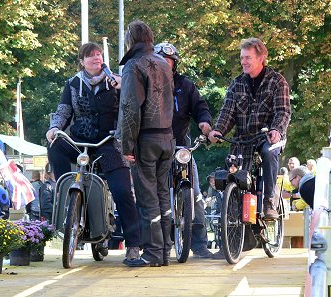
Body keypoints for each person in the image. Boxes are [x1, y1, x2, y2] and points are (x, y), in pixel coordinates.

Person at [45, 42, 141, 262]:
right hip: (80, 142)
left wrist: (123, 88)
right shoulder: (72, 83)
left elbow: (132, 108)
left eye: (98, 55)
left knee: (123, 191)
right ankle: (65, 186)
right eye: (90, 56)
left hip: (109, 142)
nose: (96, 58)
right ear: (82, 61)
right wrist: (54, 128)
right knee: (56, 146)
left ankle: (134, 245)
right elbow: (64, 111)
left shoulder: (117, 80)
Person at [208, 38, 291, 258]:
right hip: (243, 138)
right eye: (242, 57)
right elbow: (227, 112)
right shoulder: (237, 84)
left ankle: (270, 203)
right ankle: (232, 237)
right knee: (233, 175)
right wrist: (218, 130)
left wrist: (277, 130)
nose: (243, 61)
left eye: (247, 57)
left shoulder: (277, 81)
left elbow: (283, 111)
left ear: (261, 58)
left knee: (268, 152)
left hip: (268, 136)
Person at [116, 20, 175, 267]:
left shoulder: (133, 66)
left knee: (147, 198)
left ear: (131, 40)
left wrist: (125, 145)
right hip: (167, 137)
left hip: (146, 138)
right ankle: (164, 252)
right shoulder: (163, 63)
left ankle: (152, 253)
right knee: (163, 196)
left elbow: (130, 108)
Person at [154, 42, 213, 259]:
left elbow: (200, 107)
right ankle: (156, 244)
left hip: (181, 147)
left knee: (195, 195)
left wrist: (205, 123)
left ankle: (199, 244)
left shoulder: (186, 86)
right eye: (159, 61)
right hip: (155, 149)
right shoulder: (145, 85)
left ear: (174, 64)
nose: (164, 65)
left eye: (168, 61)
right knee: (151, 195)